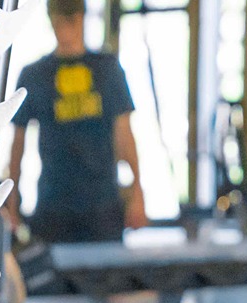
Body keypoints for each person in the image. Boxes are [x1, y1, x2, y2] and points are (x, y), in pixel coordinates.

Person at [8, 0, 148, 244]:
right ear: (50, 21)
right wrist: (12, 202)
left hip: (102, 205)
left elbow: (125, 134)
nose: (64, 30)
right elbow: (18, 142)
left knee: (105, 277)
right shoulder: (35, 75)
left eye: (70, 21)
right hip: (54, 205)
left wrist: (137, 191)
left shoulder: (107, 69)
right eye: (58, 21)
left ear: (82, 18)